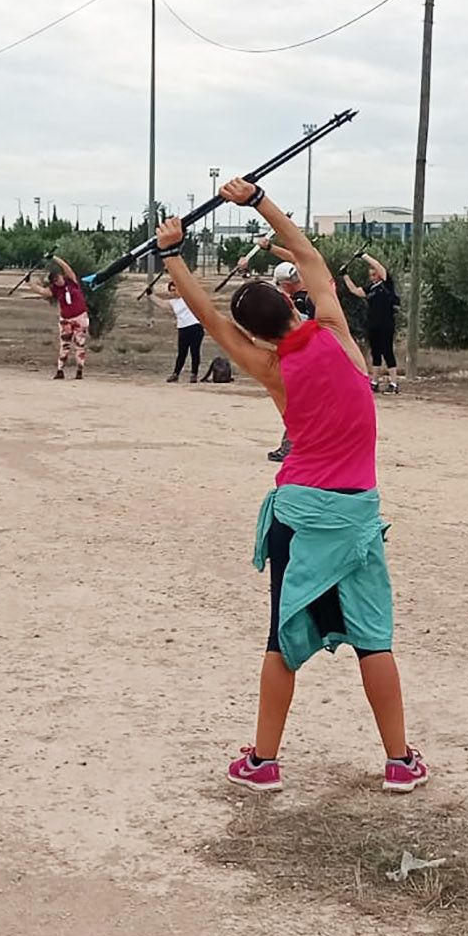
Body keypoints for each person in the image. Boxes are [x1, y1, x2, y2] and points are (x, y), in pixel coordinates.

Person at [153, 178, 428, 795]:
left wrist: (173, 252)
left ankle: (264, 762)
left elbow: (210, 320)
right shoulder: (337, 335)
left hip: (300, 513)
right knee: (374, 640)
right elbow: (308, 256)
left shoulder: (270, 366)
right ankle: (399, 762)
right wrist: (257, 202)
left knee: (282, 638)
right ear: (295, 303)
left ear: (258, 332)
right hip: (356, 516)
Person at [264, 260, 315, 461]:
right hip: (309, 357)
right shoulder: (308, 297)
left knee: (295, 404)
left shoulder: (297, 304)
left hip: (300, 360)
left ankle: (291, 446)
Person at [339, 253, 401, 394]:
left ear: (379, 275)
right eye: (370, 275)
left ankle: (394, 383)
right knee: (376, 353)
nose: (371, 277)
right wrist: (345, 275)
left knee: (388, 352)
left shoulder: (387, 284)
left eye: (373, 274)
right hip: (373, 325)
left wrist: (364, 256)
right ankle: (374, 382)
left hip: (386, 325)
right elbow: (355, 291)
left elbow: (379, 266)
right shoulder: (371, 288)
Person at [27, 255, 90, 379]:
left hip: (80, 317)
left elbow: (67, 268)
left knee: (80, 344)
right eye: (55, 280)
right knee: (65, 345)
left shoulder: (71, 281)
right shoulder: (55, 290)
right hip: (66, 319)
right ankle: (60, 370)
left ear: (61, 276)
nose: (58, 281)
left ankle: (79, 370)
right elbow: (42, 291)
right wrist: (30, 283)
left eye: (59, 278)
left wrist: (54, 258)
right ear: (53, 282)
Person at [153, 281, 205, 382]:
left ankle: (194, 374)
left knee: (195, 352)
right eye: (171, 290)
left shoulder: (189, 298)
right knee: (182, 353)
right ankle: (176, 374)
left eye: (175, 289)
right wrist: (150, 295)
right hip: (182, 328)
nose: (174, 292)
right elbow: (162, 304)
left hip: (195, 327)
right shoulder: (173, 302)